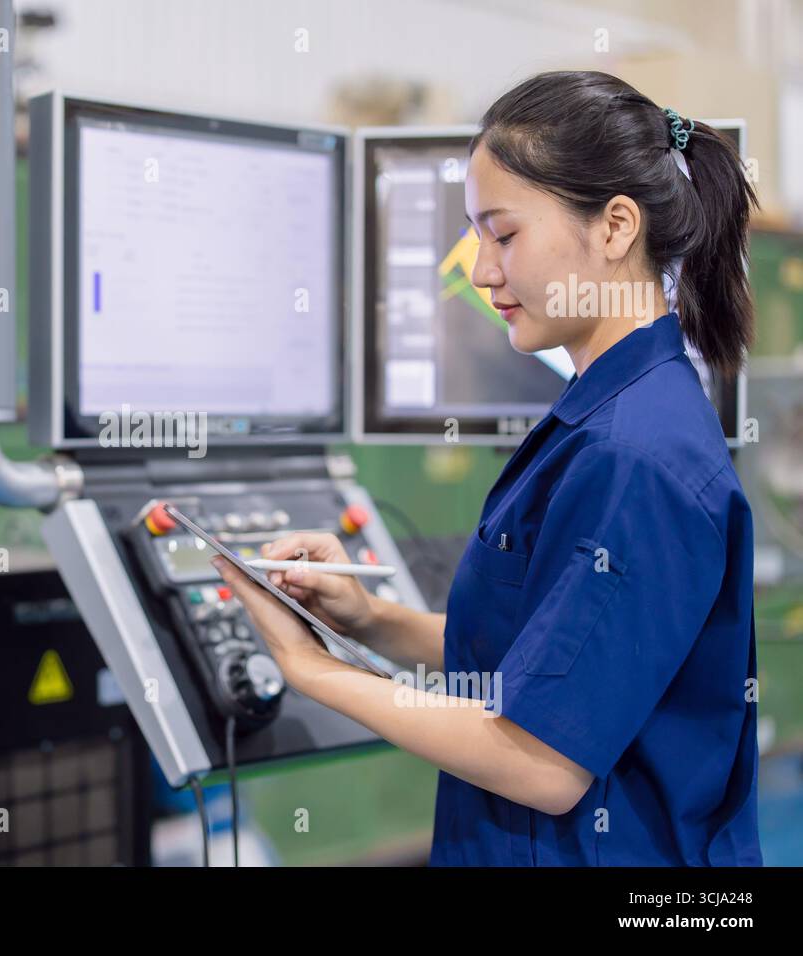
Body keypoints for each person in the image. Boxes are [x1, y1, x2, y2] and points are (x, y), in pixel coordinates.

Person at [211, 70, 762, 866]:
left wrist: (311, 670)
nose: (481, 271)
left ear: (613, 228)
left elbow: (540, 761)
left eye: (503, 235)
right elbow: (545, 655)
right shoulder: (603, 419)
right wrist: (372, 621)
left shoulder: (636, 457)